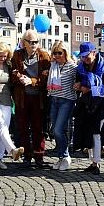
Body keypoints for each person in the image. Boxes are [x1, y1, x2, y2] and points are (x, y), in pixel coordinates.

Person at [73, 42, 104, 175]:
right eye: (83, 56)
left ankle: (96, 162)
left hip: (101, 103)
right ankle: (92, 161)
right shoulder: (80, 67)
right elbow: (78, 83)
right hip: (86, 103)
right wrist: (79, 86)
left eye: (87, 56)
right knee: (87, 132)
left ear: (94, 53)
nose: (85, 59)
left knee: (96, 132)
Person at [11, 29, 51, 168]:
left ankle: (39, 156)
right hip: (22, 97)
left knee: (38, 128)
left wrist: (32, 81)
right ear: (24, 43)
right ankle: (27, 156)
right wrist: (19, 77)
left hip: (38, 98)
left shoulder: (44, 56)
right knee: (22, 128)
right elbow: (12, 73)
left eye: (36, 42)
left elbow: (47, 78)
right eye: (31, 42)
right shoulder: (17, 55)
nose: (34, 44)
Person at [0, 43, 24, 170]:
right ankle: (12, 150)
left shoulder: (8, 65)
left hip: (6, 100)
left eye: (5, 56)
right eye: (0, 56)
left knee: (4, 128)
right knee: (1, 123)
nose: (2, 58)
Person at [47, 41, 77, 171]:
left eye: (60, 52)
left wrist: (79, 84)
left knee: (58, 130)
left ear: (65, 52)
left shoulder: (73, 67)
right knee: (56, 130)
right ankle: (61, 157)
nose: (57, 55)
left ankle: (66, 156)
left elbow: (79, 81)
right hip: (54, 100)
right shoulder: (53, 66)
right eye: (55, 53)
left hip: (67, 100)